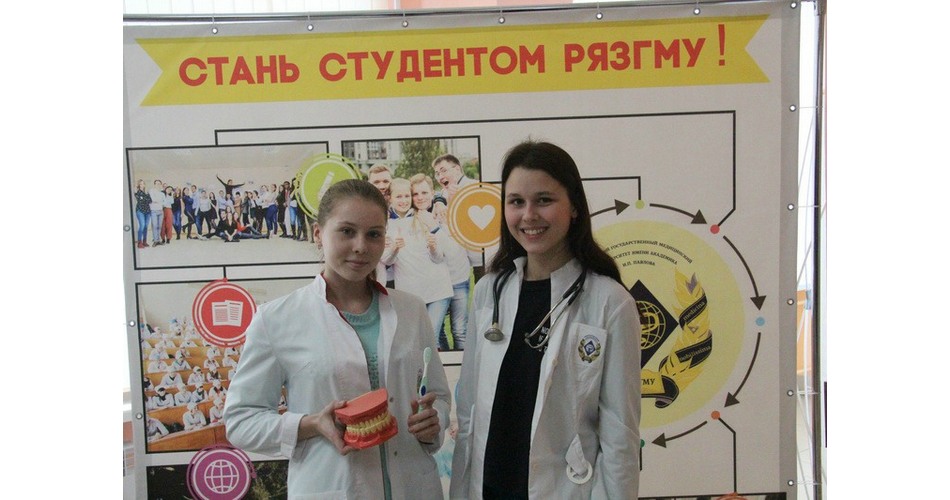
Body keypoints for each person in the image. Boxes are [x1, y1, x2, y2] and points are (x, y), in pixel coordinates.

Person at [224, 179, 450, 499]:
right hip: (332, 486)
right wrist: (311, 424)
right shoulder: (277, 319)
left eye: (374, 234)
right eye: (346, 231)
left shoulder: (411, 310)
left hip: (414, 486)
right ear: (318, 234)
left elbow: (439, 396)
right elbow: (240, 421)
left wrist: (433, 421)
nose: (361, 246)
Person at [449, 140, 641, 499]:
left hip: (563, 489)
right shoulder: (488, 292)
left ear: (574, 207)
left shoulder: (609, 303)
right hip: (488, 489)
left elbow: (619, 434)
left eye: (544, 200)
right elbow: (470, 413)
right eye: (516, 202)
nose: (528, 215)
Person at [382, 177, 454, 350]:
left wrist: (433, 247)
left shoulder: (424, 218)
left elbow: (439, 258)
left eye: (407, 196)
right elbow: (386, 260)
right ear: (390, 198)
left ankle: (439, 367)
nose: (404, 201)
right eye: (399, 196)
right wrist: (394, 249)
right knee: (422, 340)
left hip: (438, 290)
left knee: (430, 338)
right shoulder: (386, 225)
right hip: (410, 294)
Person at [134, 179, 151, 249]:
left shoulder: (146, 192)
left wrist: (145, 198)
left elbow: (150, 201)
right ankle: (139, 242)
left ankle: (144, 241)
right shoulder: (137, 192)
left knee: (146, 226)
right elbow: (140, 201)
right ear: (139, 185)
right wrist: (145, 199)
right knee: (142, 225)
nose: (142, 185)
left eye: (143, 183)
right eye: (141, 184)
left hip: (147, 211)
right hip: (140, 210)